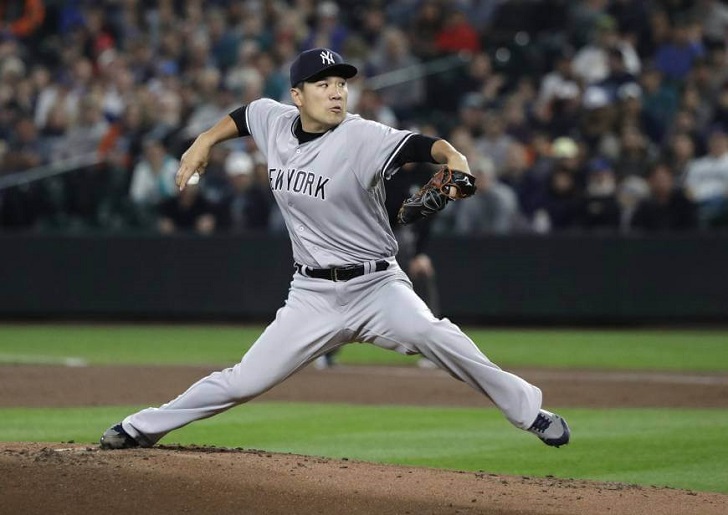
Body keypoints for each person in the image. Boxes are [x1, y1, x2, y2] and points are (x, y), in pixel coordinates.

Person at [100, 47, 569, 450]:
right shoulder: (273, 120)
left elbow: (429, 148)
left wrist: (456, 159)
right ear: (297, 96)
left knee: (437, 336)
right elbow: (243, 116)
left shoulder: (363, 136)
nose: (336, 92)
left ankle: (531, 412)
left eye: (341, 83)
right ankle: (142, 428)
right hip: (311, 295)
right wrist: (203, 141)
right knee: (243, 381)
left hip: (377, 286)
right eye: (321, 84)